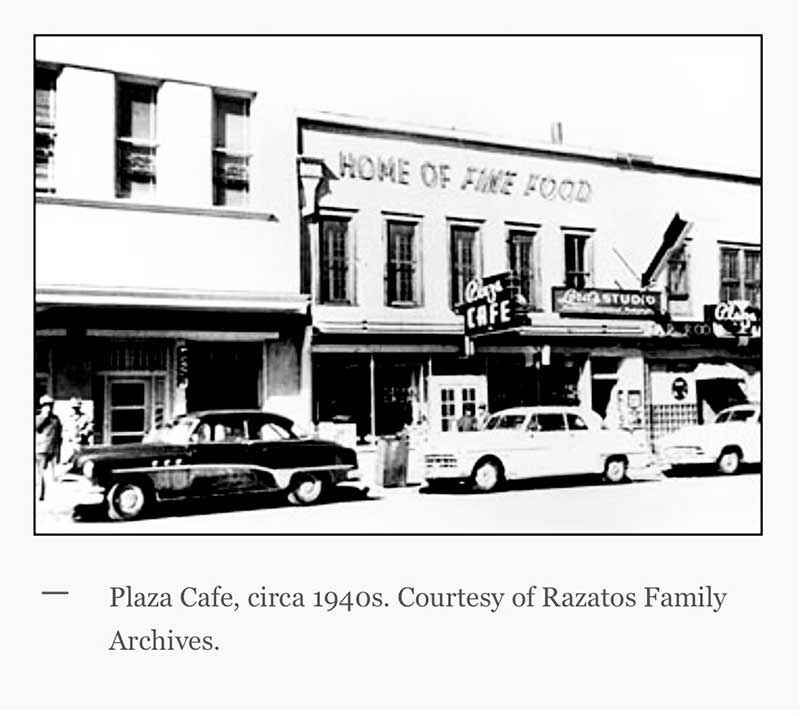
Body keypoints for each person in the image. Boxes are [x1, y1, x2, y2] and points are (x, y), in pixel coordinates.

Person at [35, 395, 62, 501]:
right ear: (42, 407)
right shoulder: (38, 418)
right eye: (46, 405)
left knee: (51, 475)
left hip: (52, 449)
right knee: (41, 473)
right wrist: (43, 417)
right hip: (41, 449)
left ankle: (51, 496)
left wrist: (58, 451)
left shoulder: (56, 419)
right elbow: (37, 428)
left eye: (50, 405)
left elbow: (59, 436)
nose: (49, 407)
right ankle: (40, 494)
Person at [65, 397, 93, 461]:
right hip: (71, 444)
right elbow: (65, 430)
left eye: (77, 407)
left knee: (83, 461)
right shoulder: (68, 418)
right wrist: (70, 437)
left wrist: (84, 433)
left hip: (83, 443)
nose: (75, 409)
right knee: (71, 463)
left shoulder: (85, 417)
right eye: (73, 407)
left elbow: (90, 428)